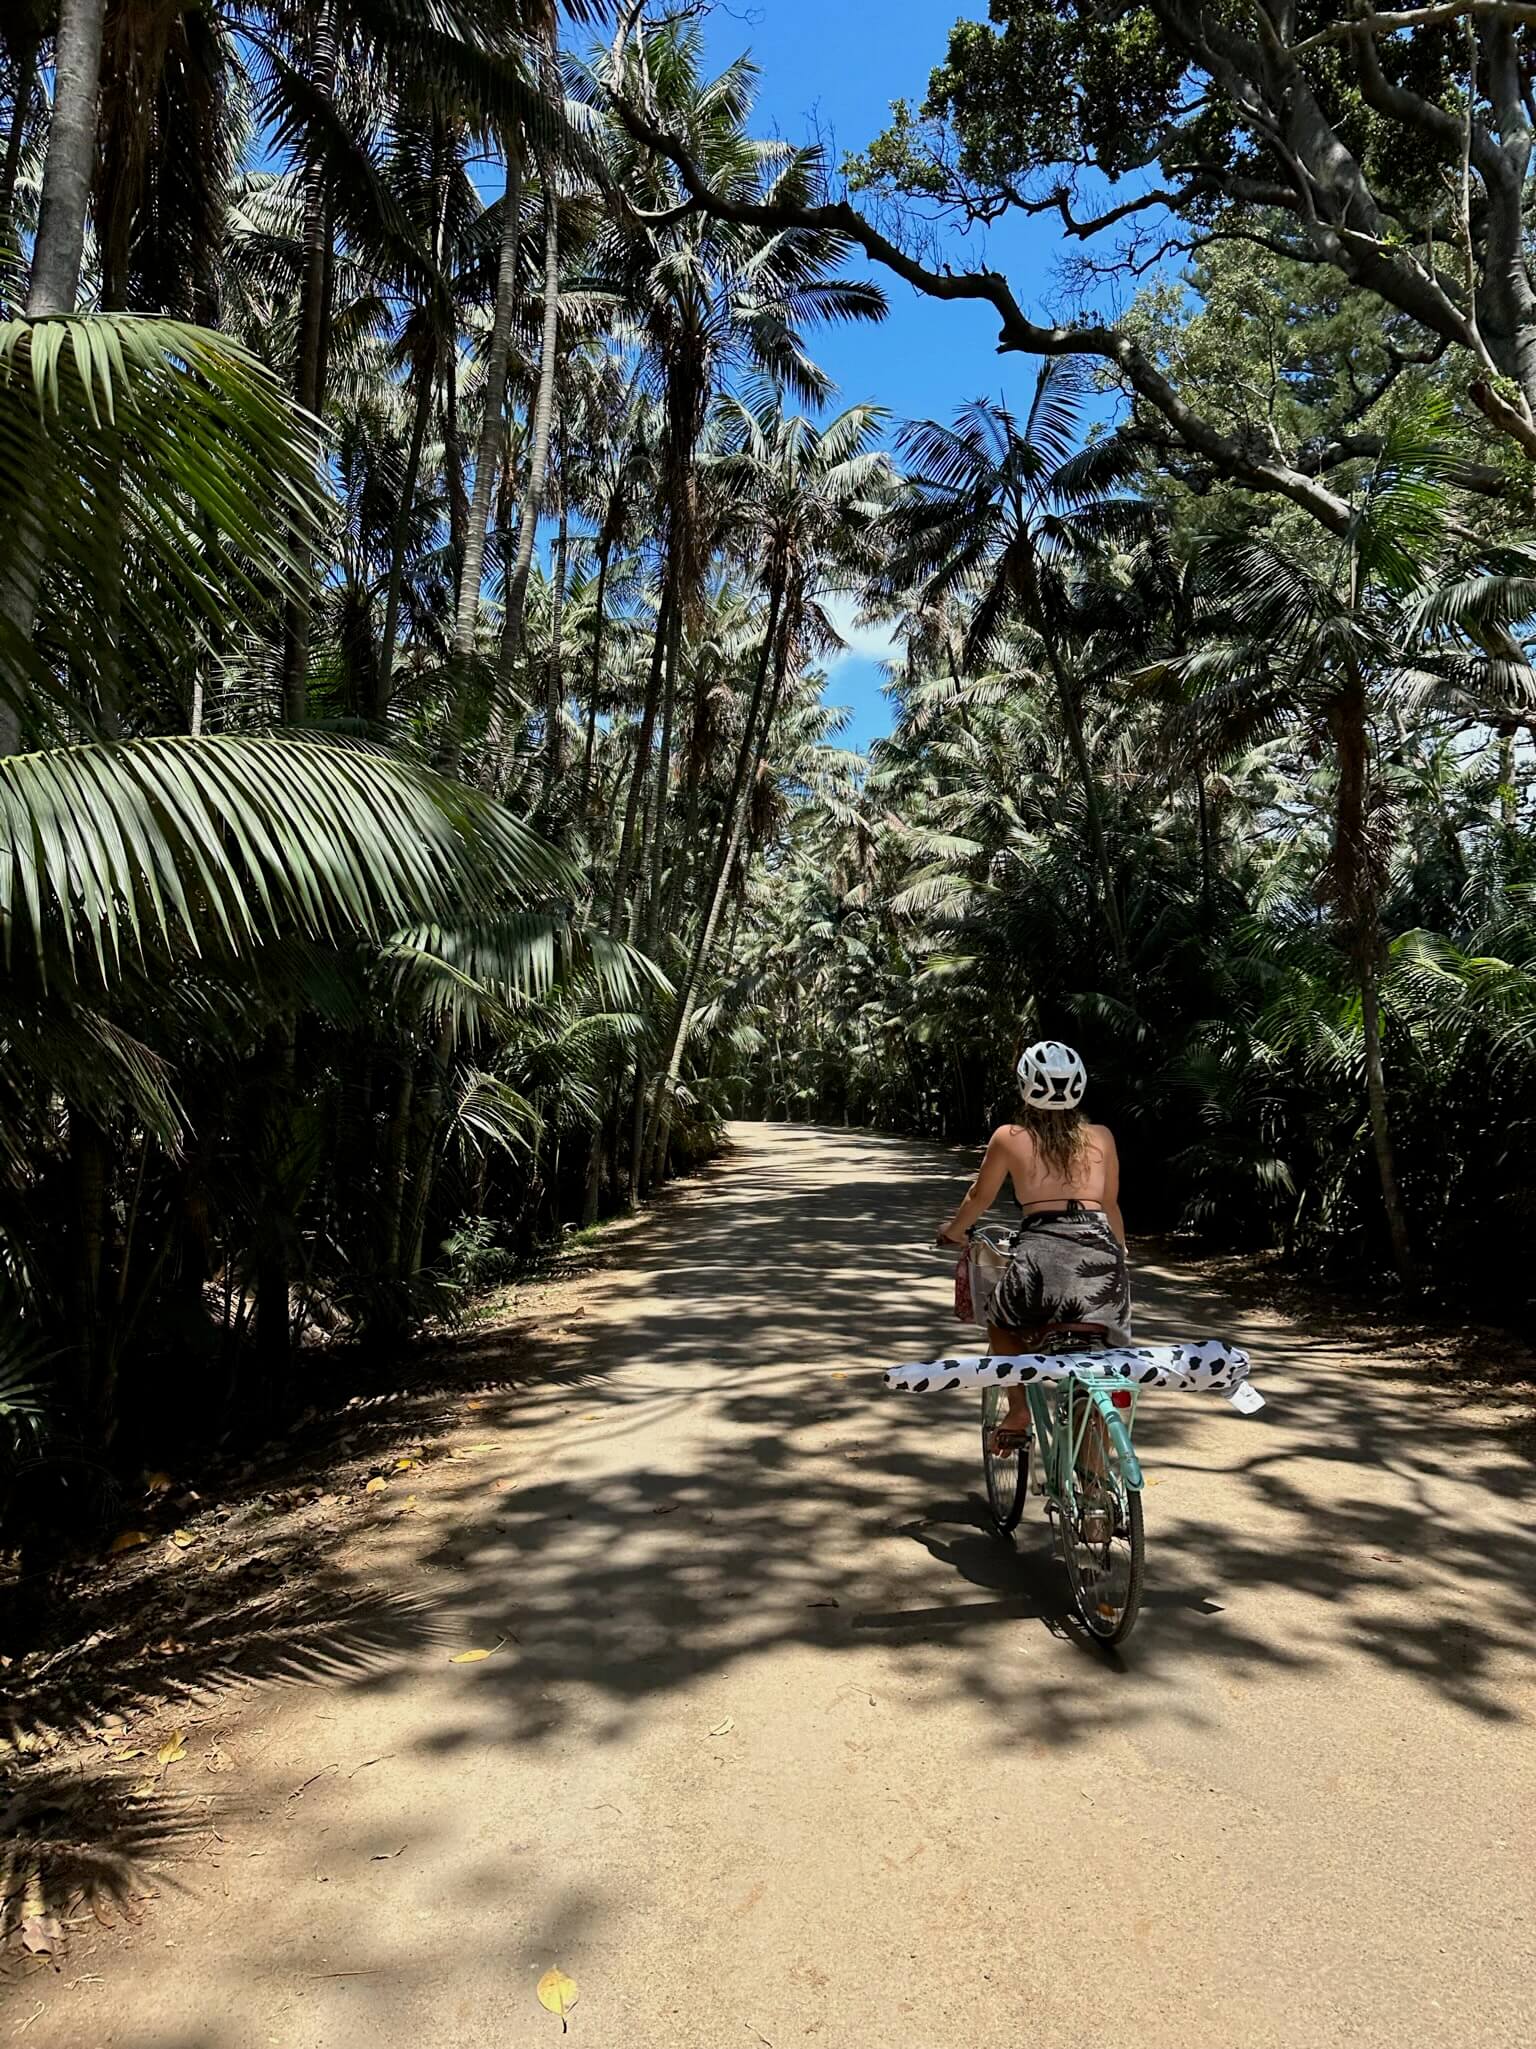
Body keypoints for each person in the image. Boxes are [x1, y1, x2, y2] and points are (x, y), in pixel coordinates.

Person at [936, 1040, 1131, 1453]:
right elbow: (1110, 1206)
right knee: (1101, 1348)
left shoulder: (1010, 1137)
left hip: (1042, 1258)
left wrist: (953, 1232)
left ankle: (1019, 1409)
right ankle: (1097, 1472)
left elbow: (979, 1198)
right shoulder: (1102, 1136)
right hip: (1102, 1259)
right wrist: (1119, 1258)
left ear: (1025, 1087)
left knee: (1001, 1321)